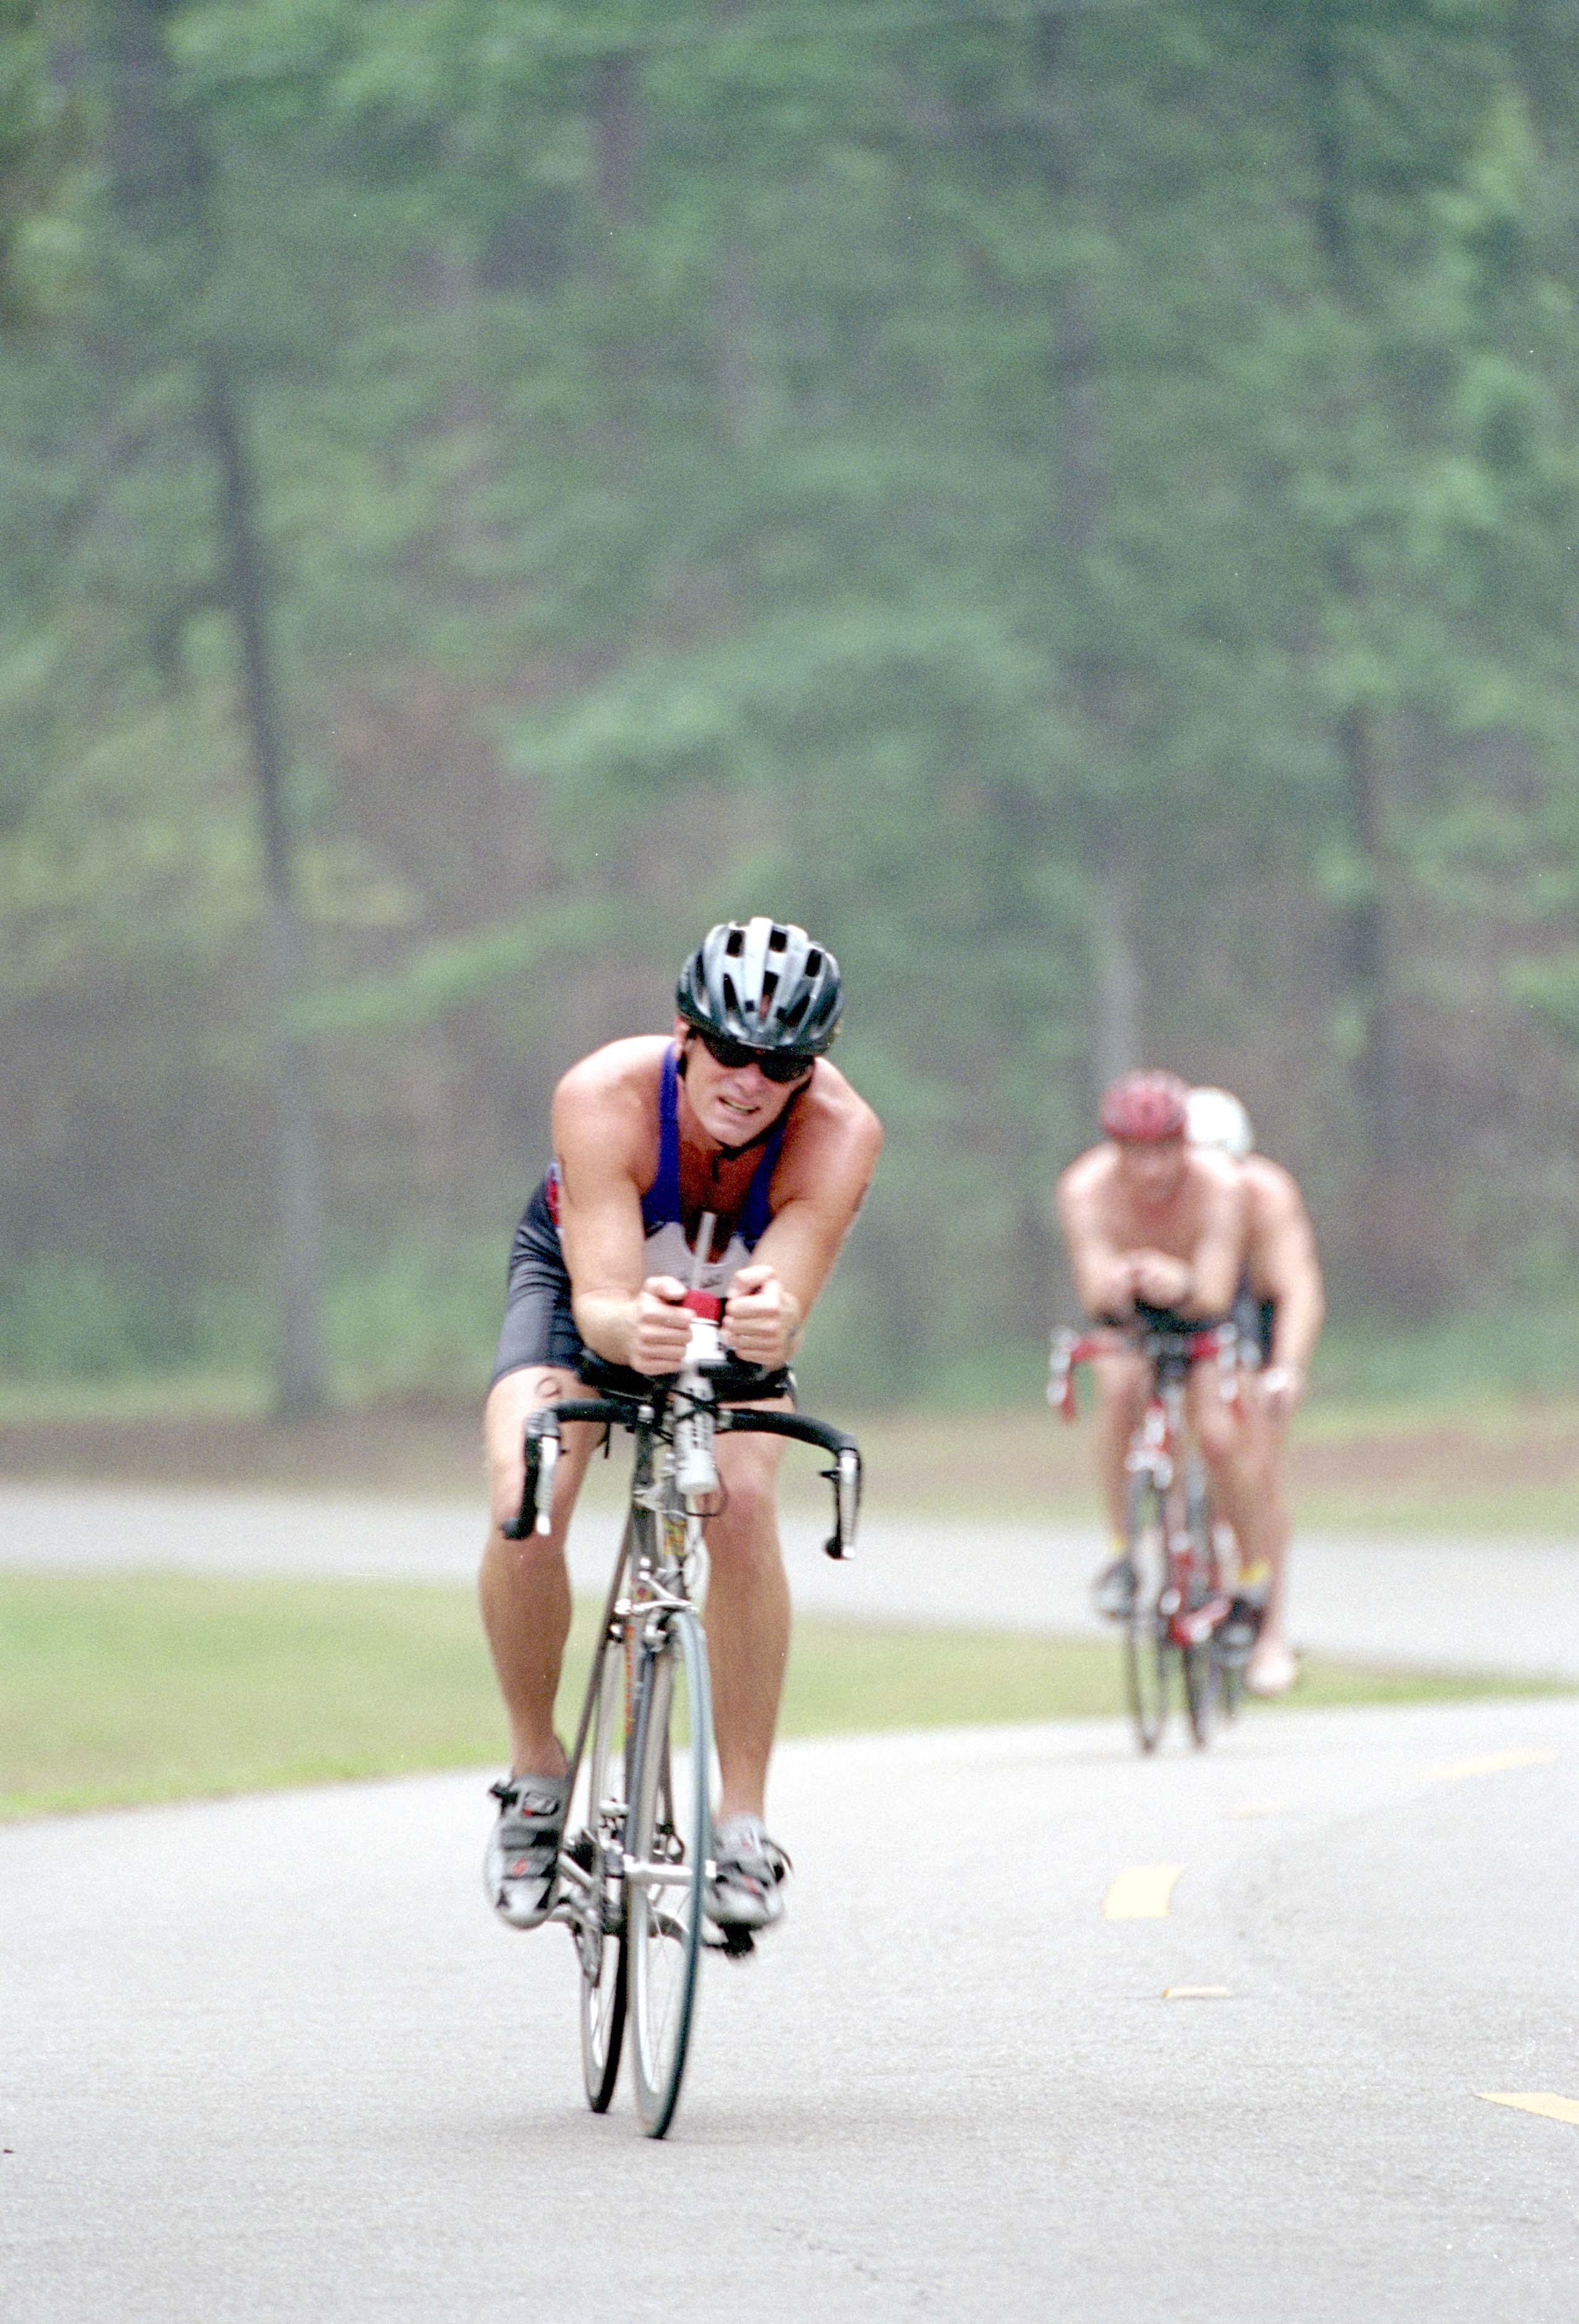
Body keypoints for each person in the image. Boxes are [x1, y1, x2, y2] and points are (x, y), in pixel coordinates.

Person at [480, 917, 882, 1939]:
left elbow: (785, 1294)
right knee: (526, 1501)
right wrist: (633, 1327)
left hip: (724, 1309)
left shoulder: (840, 1134)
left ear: (808, 1071)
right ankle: (535, 1775)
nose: (750, 1079)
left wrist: (769, 1317)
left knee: (741, 1503)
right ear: (684, 1034)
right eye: (731, 1048)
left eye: (783, 1062)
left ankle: (739, 1823)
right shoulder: (603, 1094)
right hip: (588, 1290)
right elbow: (606, 1299)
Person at [1055, 1069, 1277, 1633]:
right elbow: (1092, 1287)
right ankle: (1122, 1550)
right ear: (1115, 1148)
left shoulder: (1221, 1185)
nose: (1152, 1168)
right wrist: (1116, 1282)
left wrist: (1178, 1281)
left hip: (1204, 1306)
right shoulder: (1084, 1188)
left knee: (1220, 1434)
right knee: (1119, 1391)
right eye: (1136, 1152)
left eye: (1165, 1150)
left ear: (1185, 1143)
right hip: (1131, 1313)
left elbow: (1216, 1291)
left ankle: (1252, 1577)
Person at [1185, 1086, 1325, 1696]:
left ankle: (1269, 1632)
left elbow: (1297, 1288)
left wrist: (1286, 1367)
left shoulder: (1267, 1194)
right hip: (1193, 1311)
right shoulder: (1168, 1193)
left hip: (1254, 1314)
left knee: (1258, 1470)